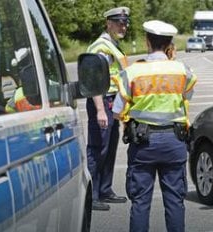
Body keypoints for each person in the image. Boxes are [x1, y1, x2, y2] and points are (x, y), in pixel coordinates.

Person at [112, 20, 197, 232]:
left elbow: (116, 111)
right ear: (170, 44)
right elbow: (188, 96)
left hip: (143, 143)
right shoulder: (182, 70)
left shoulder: (132, 72)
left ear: (147, 41)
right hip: (174, 141)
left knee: (140, 202)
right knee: (175, 201)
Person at [86, 6, 129, 211]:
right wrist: (100, 110)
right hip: (101, 101)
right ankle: (91, 195)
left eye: (125, 22)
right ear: (108, 24)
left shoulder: (113, 45)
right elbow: (93, 81)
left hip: (112, 101)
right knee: (97, 148)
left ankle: (105, 189)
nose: (123, 26)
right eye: (119, 22)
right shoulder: (101, 47)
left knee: (110, 147)